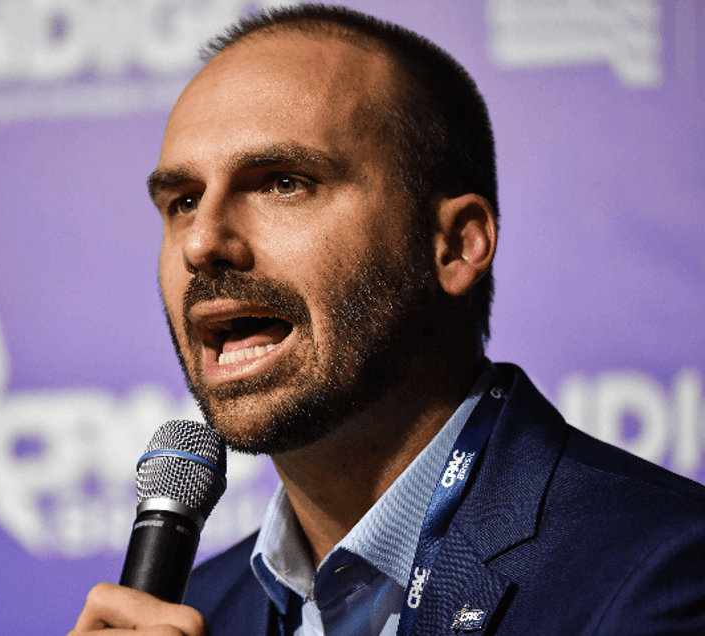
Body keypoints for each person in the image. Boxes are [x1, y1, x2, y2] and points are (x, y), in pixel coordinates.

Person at [70, 5, 705, 635]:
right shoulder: (199, 611)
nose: (202, 243)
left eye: (283, 183)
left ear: (454, 245)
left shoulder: (663, 573)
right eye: (182, 201)